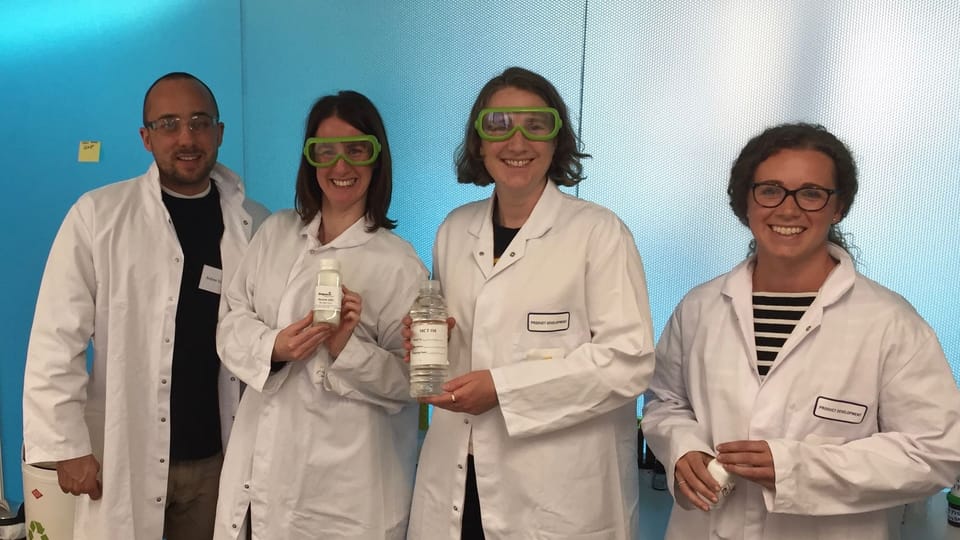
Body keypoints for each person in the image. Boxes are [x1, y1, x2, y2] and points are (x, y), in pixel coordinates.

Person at [642, 122, 960, 539]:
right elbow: (665, 402)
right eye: (770, 190)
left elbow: (937, 451)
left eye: (811, 193)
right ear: (745, 203)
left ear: (838, 207)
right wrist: (684, 448)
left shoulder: (889, 322)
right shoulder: (700, 308)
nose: (788, 209)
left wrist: (797, 470)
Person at [405, 67, 655, 540]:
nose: (516, 141)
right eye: (497, 125)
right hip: (460, 472)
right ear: (478, 142)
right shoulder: (454, 230)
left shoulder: (598, 233)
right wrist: (426, 340)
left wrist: (503, 388)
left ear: (556, 140)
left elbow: (629, 362)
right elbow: (461, 336)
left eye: (535, 125)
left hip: (555, 489)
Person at [22, 72, 270, 540]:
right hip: (123, 453)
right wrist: (66, 444)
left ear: (220, 132)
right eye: (169, 124)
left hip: (218, 457)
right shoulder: (98, 215)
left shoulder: (255, 223)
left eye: (199, 123)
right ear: (145, 137)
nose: (186, 138)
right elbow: (56, 337)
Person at [212, 90, 427, 540]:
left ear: (377, 158)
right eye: (324, 151)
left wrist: (346, 348)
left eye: (356, 150)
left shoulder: (400, 264)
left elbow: (415, 384)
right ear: (309, 160)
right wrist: (275, 346)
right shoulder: (276, 233)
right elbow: (231, 319)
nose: (340, 167)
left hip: (346, 494)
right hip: (262, 481)